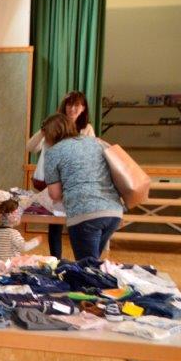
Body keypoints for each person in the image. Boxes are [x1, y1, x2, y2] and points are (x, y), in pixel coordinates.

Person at [41, 113, 123, 261]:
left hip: (85, 213)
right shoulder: (95, 142)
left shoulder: (53, 153)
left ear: (50, 134)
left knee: (87, 267)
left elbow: (55, 194)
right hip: (113, 211)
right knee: (92, 264)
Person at [26, 91, 95, 259]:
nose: (72, 109)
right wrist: (43, 130)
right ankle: (55, 260)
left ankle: (80, 261)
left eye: (76, 105)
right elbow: (31, 147)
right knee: (55, 224)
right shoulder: (54, 125)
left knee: (76, 223)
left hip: (73, 183)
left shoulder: (86, 129)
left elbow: (91, 154)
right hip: (51, 181)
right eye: (69, 104)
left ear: (83, 108)